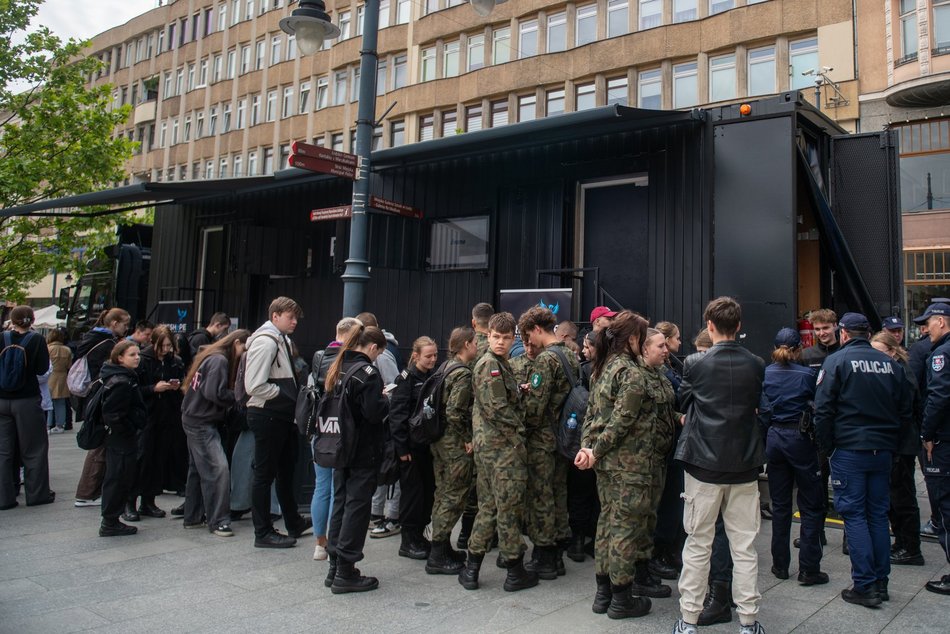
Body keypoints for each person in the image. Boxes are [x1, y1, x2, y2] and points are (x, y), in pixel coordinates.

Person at [672, 297, 767, 634]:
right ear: (738, 326)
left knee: (698, 543)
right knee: (744, 547)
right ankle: (748, 621)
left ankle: (689, 620)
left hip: (703, 463)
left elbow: (683, 400)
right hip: (744, 463)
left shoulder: (695, 363)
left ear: (709, 325)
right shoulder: (756, 364)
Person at [575, 318, 673, 620]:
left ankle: (604, 593)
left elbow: (591, 415)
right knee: (624, 530)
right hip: (630, 464)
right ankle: (621, 598)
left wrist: (588, 448)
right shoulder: (631, 373)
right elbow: (621, 421)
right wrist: (594, 451)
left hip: (608, 464)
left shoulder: (603, 368)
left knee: (607, 525)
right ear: (632, 340)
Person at [814, 312, 911, 607]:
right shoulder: (890, 364)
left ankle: (865, 585)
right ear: (868, 334)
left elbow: (823, 410)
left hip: (850, 449)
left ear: (843, 334)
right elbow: (904, 409)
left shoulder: (837, 361)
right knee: (878, 515)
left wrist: (827, 448)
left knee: (855, 515)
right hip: (882, 450)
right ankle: (880, 582)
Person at [458, 312, 536, 592]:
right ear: (488, 336)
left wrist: (518, 391)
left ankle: (471, 569)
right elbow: (497, 408)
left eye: (505, 337)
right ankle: (514, 571)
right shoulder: (490, 364)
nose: (501, 342)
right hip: (502, 449)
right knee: (508, 510)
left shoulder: (497, 363)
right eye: (496, 337)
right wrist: (519, 436)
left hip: (490, 447)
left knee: (489, 508)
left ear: (513, 338)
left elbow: (498, 398)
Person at [758, 328, 828, 585]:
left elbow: (762, 409)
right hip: (800, 438)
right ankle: (809, 568)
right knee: (811, 505)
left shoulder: (766, 374)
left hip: (775, 438)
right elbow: (819, 407)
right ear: (799, 349)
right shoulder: (808, 375)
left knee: (780, 505)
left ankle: (780, 565)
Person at [324, 325, 390, 594]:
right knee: (357, 507)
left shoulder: (337, 366)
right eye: (379, 353)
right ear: (372, 348)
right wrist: (386, 400)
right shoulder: (367, 373)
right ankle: (345, 570)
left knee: (340, 503)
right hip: (363, 448)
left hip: (339, 446)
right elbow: (373, 413)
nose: (377, 357)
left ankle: (334, 566)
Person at [244, 296, 311, 548]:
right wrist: (282, 395)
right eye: (290, 317)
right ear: (275, 316)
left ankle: (292, 521)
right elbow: (254, 385)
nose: (295, 322)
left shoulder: (279, 339)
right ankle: (262, 532)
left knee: (284, 470)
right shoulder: (267, 342)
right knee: (265, 474)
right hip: (268, 414)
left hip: (278, 414)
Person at [517, 306, 577, 580]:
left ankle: (544, 555)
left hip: (542, 439)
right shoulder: (569, 354)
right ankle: (558, 552)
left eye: (528, 335)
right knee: (558, 492)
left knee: (540, 495)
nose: (529, 341)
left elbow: (534, 409)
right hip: (564, 436)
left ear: (537, 329)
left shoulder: (545, 360)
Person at [180, 329, 250, 537]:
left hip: (193, 416)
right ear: (236, 343)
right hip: (202, 421)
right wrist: (238, 396)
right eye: (244, 348)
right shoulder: (220, 361)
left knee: (197, 470)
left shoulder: (212, 356)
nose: (245, 354)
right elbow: (214, 392)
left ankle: (193, 516)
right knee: (218, 469)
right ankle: (218, 520)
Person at [870, 331, 925, 567]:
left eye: (879, 351)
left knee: (902, 496)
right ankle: (902, 542)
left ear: (892, 351)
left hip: (901, 444)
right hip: (895, 442)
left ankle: (910, 547)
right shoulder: (893, 370)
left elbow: (905, 409)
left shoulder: (901, 373)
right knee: (894, 496)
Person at [309, 317, 362, 560]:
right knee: (338, 487)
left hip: (321, 427)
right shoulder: (350, 360)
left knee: (321, 486)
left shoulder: (319, 356)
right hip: (342, 429)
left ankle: (320, 544)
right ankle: (335, 542)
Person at [427, 327, 477, 574]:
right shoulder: (463, 373)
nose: (477, 346)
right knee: (454, 495)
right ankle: (438, 554)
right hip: (454, 444)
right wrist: (468, 438)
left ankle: (441, 546)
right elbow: (455, 412)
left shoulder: (445, 367)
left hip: (439, 441)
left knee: (443, 492)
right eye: (475, 342)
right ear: (466, 344)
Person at [127, 325, 185, 521]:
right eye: (163, 346)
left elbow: (181, 384)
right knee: (141, 458)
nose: (166, 349)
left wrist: (176, 386)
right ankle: (130, 501)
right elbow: (134, 389)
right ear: (154, 343)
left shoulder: (174, 361)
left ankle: (148, 501)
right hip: (147, 416)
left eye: (169, 345)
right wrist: (153, 388)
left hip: (166, 416)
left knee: (157, 459)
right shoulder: (143, 360)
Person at [74, 308, 130, 507]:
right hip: (102, 397)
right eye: (124, 324)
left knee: (100, 445)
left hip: (95, 396)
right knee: (100, 447)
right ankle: (87, 493)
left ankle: (90, 491)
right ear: (114, 323)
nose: (126, 328)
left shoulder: (92, 337)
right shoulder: (107, 344)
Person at [389, 336, 439, 560]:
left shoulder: (432, 377)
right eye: (428, 356)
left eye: (435, 355)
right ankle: (408, 541)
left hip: (426, 446)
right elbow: (397, 416)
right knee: (412, 495)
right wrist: (401, 449)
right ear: (416, 355)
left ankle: (419, 535)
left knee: (427, 492)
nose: (433, 359)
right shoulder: (405, 380)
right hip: (410, 448)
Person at [0, 306, 54, 510]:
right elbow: (42, 369)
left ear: (12, 320)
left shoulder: (2, 338)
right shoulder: (37, 340)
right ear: (32, 320)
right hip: (27, 399)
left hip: (1, 399)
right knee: (34, 449)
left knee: (3, 451)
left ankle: (4, 497)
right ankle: (37, 494)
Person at [357, 311, 402, 539]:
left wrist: (382, 400)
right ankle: (377, 513)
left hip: (386, 421)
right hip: (381, 420)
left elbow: (393, 386)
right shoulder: (377, 353)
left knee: (389, 468)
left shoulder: (382, 356)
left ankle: (389, 516)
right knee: (383, 468)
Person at [916, 302, 950, 594]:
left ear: (941, 321)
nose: (926, 330)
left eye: (928, 323)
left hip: (944, 441)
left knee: (946, 506)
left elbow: (938, 396)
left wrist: (927, 433)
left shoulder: (942, 354)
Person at [456, 301, 495, 551]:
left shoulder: (466, 347)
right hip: (487, 424)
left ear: (473, 322)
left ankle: (465, 533)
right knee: (486, 482)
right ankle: (486, 534)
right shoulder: (494, 350)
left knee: (472, 481)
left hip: (466, 422)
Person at [98, 341, 148, 536]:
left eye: (138, 354)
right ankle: (110, 521)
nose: (137, 358)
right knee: (118, 477)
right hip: (121, 438)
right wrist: (128, 428)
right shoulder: (121, 381)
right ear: (120, 357)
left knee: (120, 476)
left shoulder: (123, 376)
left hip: (121, 436)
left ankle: (111, 519)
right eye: (132, 355)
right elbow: (113, 414)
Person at [651, 321, 686, 579]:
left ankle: (668, 549)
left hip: (671, 442)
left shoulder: (669, 368)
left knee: (673, 501)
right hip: (660, 447)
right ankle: (658, 553)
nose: (670, 348)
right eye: (662, 345)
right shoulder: (656, 373)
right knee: (665, 503)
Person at [46, 329, 72, 434]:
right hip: (62, 376)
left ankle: (48, 425)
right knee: (61, 403)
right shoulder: (67, 350)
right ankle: (60, 425)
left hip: (50, 376)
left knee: (48, 403)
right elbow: (69, 365)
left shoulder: (47, 349)